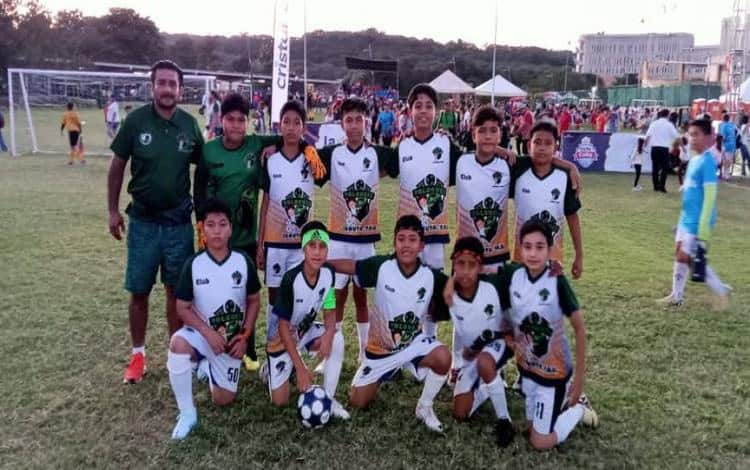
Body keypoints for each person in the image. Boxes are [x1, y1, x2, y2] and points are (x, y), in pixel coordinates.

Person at [194, 92, 311, 372]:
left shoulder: (255, 144)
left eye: (241, 120)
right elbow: (198, 193)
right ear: (221, 120)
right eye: (230, 120)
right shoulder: (209, 151)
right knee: (209, 295)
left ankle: (248, 349)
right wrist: (203, 229)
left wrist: (303, 149)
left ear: (247, 123)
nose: (235, 125)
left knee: (246, 295)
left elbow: (290, 137)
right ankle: (204, 352)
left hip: (245, 237)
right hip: (214, 236)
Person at [108, 60, 204, 384]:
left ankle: (176, 355)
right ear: (153, 87)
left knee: (177, 294)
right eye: (161, 83)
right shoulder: (136, 121)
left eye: (172, 84)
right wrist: (112, 210)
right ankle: (138, 356)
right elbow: (118, 165)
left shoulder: (190, 126)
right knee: (139, 292)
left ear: (180, 89)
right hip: (144, 223)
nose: (166, 89)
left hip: (179, 224)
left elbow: (205, 168)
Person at [328, 215, 451, 432]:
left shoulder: (431, 276)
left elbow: (457, 290)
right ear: (394, 242)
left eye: (412, 239)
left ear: (421, 245)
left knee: (443, 358)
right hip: (379, 351)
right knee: (358, 402)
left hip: (413, 345)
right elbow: (351, 266)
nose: (406, 244)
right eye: (401, 238)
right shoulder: (382, 266)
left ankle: (424, 407)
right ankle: (388, 371)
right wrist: (323, 263)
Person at [167, 198, 262, 440]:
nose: (217, 230)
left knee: (223, 400)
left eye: (222, 224)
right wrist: (207, 332)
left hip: (229, 344)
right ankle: (187, 414)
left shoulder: (243, 261)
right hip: (202, 335)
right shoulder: (194, 264)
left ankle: (208, 368)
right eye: (211, 225)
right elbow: (182, 307)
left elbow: (254, 300)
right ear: (203, 229)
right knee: (178, 344)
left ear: (230, 229)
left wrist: (245, 336)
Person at [316, 97, 398, 363]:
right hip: (338, 238)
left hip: (365, 239)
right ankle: (330, 352)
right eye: (348, 120)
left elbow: (401, 161)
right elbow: (304, 157)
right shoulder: (331, 154)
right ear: (341, 124)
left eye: (359, 120)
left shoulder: (377, 153)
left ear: (367, 123)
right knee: (335, 296)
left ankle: (365, 352)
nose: (353, 125)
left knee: (362, 297)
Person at [502, 220, 593, 450]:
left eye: (540, 247)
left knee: (539, 441)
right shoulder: (514, 274)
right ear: (520, 249)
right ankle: (556, 405)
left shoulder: (556, 280)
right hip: (529, 369)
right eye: (528, 246)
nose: (533, 253)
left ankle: (577, 409)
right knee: (531, 427)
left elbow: (580, 330)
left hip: (554, 373)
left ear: (550, 250)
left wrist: (580, 380)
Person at [262, 221, 350, 419]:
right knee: (280, 401)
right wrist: (302, 369)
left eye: (322, 246)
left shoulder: (328, 272)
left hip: (304, 330)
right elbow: (283, 327)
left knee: (337, 338)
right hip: (280, 338)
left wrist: (328, 332)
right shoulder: (290, 279)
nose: (317, 252)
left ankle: (329, 397)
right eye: (312, 245)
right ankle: (270, 369)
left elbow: (329, 307)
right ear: (304, 248)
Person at [257, 100, 326, 344]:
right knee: (274, 296)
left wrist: (309, 149)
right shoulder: (270, 159)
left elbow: (329, 168)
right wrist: (260, 245)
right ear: (279, 125)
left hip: (301, 244)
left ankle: (296, 346)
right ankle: (273, 347)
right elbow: (265, 204)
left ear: (303, 127)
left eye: (297, 122)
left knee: (299, 293)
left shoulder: (311, 158)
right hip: (275, 243)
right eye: (286, 122)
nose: (291, 127)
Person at [445, 236, 515, 447]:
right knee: (460, 413)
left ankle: (504, 420)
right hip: (472, 354)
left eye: (472, 265)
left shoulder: (493, 284)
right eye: (461, 264)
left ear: (481, 267)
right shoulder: (448, 294)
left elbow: (524, 271)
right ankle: (491, 387)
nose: (466, 270)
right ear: (453, 264)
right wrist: (449, 280)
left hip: (499, 344)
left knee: (485, 361)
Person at [657, 118, 732, 309]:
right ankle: (677, 295)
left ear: (708, 137)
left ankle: (720, 289)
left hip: (698, 220)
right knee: (680, 255)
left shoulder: (708, 162)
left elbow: (710, 196)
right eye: (690, 134)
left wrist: (704, 226)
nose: (692, 138)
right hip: (686, 218)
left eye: (697, 134)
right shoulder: (694, 160)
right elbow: (691, 187)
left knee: (686, 257)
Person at [511, 121, 583, 280]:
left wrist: (579, 256)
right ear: (529, 144)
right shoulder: (518, 169)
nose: (542, 147)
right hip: (520, 258)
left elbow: (572, 217)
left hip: (552, 260)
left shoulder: (564, 177)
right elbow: (492, 152)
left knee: (548, 302)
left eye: (548, 143)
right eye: (537, 142)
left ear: (556, 147)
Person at [645, 109, 679, 192]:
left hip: (655, 148)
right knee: (665, 168)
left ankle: (655, 186)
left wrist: (645, 145)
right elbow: (676, 136)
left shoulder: (654, 123)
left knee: (655, 168)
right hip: (664, 148)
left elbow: (648, 135)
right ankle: (662, 186)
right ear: (667, 115)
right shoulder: (669, 125)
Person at [718, 113, 737, 181]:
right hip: (732, 145)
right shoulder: (732, 125)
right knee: (728, 161)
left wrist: (719, 143)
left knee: (725, 160)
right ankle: (726, 175)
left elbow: (723, 137)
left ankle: (725, 175)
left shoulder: (723, 126)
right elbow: (736, 133)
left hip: (726, 145)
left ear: (723, 119)